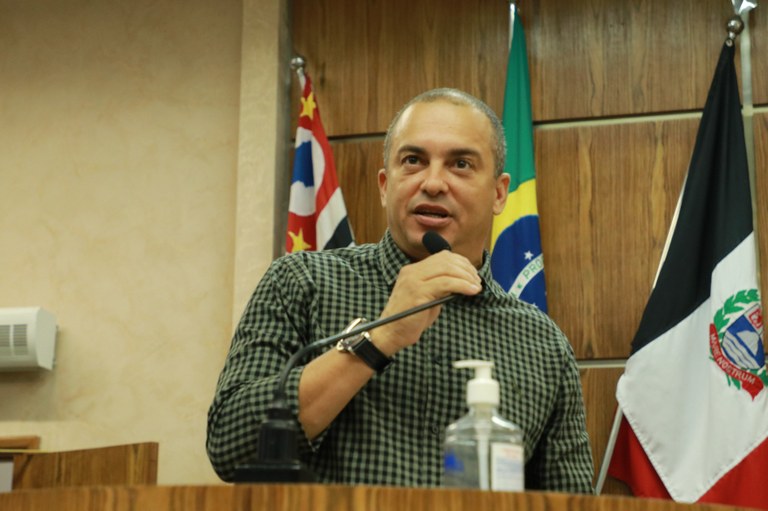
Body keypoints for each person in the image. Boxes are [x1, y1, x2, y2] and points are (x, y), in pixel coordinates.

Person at [206, 88, 594, 492]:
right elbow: (231, 446)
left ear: (499, 193)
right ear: (384, 184)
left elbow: (572, 500)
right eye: (413, 161)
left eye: (461, 164)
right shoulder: (301, 282)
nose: (433, 183)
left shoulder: (542, 343)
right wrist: (381, 337)